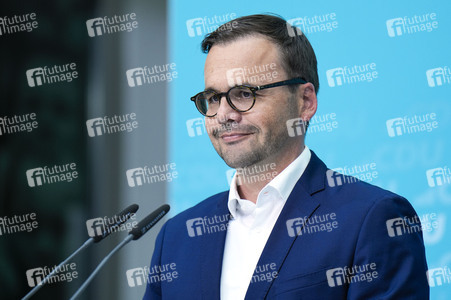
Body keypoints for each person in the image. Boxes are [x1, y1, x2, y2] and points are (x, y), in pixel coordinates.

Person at [144, 14, 429, 299]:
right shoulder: (178, 237)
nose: (224, 114)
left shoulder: (374, 217)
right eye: (213, 97)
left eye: (244, 93)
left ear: (305, 101)